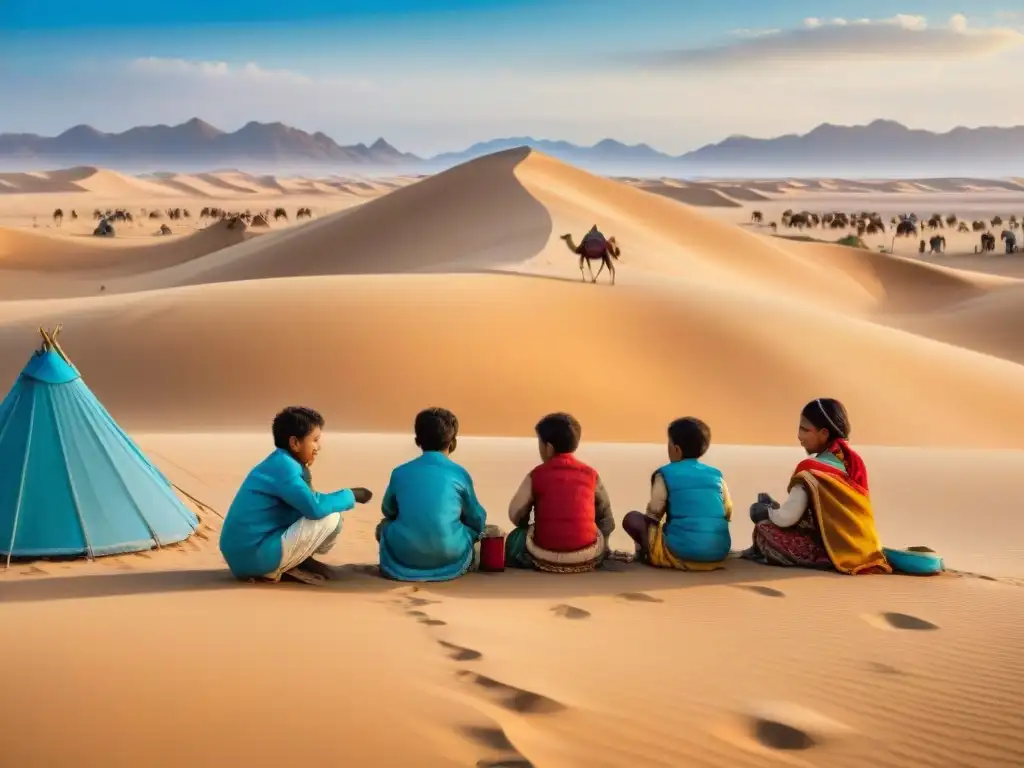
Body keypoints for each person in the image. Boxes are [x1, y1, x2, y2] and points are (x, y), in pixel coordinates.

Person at [219, 406, 373, 585]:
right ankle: (282, 565)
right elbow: (315, 508)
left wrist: (306, 471)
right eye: (315, 440)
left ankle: (296, 560)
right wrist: (352, 495)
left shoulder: (279, 462)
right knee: (332, 517)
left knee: (319, 511)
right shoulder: (284, 468)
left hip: (242, 556)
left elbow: (305, 502)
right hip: (254, 556)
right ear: (295, 443)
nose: (318, 447)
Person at [743, 398, 891, 574]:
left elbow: (787, 518)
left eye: (805, 430)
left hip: (831, 552)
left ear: (824, 433)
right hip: (865, 550)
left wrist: (765, 511)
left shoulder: (811, 470)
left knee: (764, 527)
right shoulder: (853, 462)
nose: (799, 436)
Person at [376, 407, 488, 582]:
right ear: (453, 443)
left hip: (404, 556)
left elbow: (388, 510)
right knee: (471, 530)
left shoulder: (399, 472)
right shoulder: (459, 474)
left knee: (383, 527)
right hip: (450, 556)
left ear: (417, 441)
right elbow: (477, 518)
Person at [505, 412, 615, 573]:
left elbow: (515, 514)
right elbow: (606, 517)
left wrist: (527, 524)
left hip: (544, 556)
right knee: (596, 529)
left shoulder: (536, 474)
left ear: (549, 448)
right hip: (587, 557)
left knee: (515, 537)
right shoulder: (590, 474)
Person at [623, 417, 732, 570]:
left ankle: (648, 555)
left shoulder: (665, 474)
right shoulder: (716, 476)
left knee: (632, 519)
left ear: (676, 449)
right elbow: (727, 512)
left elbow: (653, 515)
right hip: (718, 553)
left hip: (680, 554)